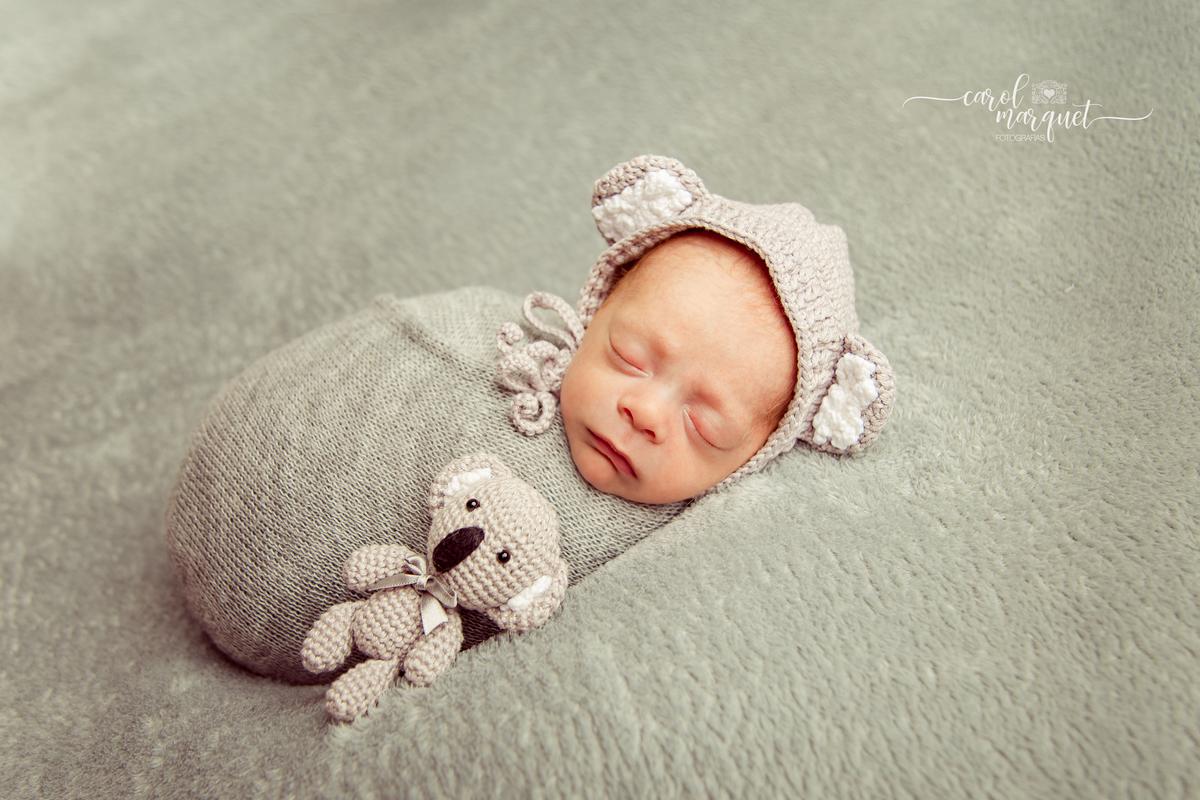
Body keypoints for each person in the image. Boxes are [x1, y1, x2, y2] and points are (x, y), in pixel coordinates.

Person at [166, 155, 895, 683]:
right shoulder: (494, 343)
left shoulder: (652, 552)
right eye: (631, 356)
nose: (643, 411)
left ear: (754, 459)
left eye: (706, 428)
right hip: (240, 461)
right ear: (593, 311)